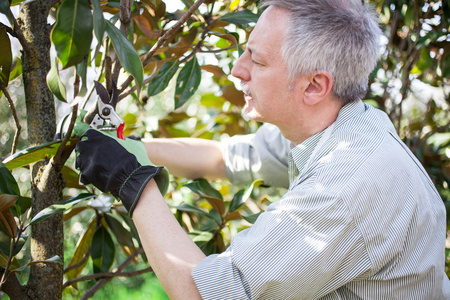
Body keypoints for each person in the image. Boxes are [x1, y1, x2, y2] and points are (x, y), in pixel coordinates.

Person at [75, 0, 450, 299]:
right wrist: (129, 147)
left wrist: (130, 178)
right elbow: (223, 157)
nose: (237, 70)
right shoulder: (338, 127)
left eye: (257, 59)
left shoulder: (346, 185)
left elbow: (204, 294)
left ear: (314, 86)